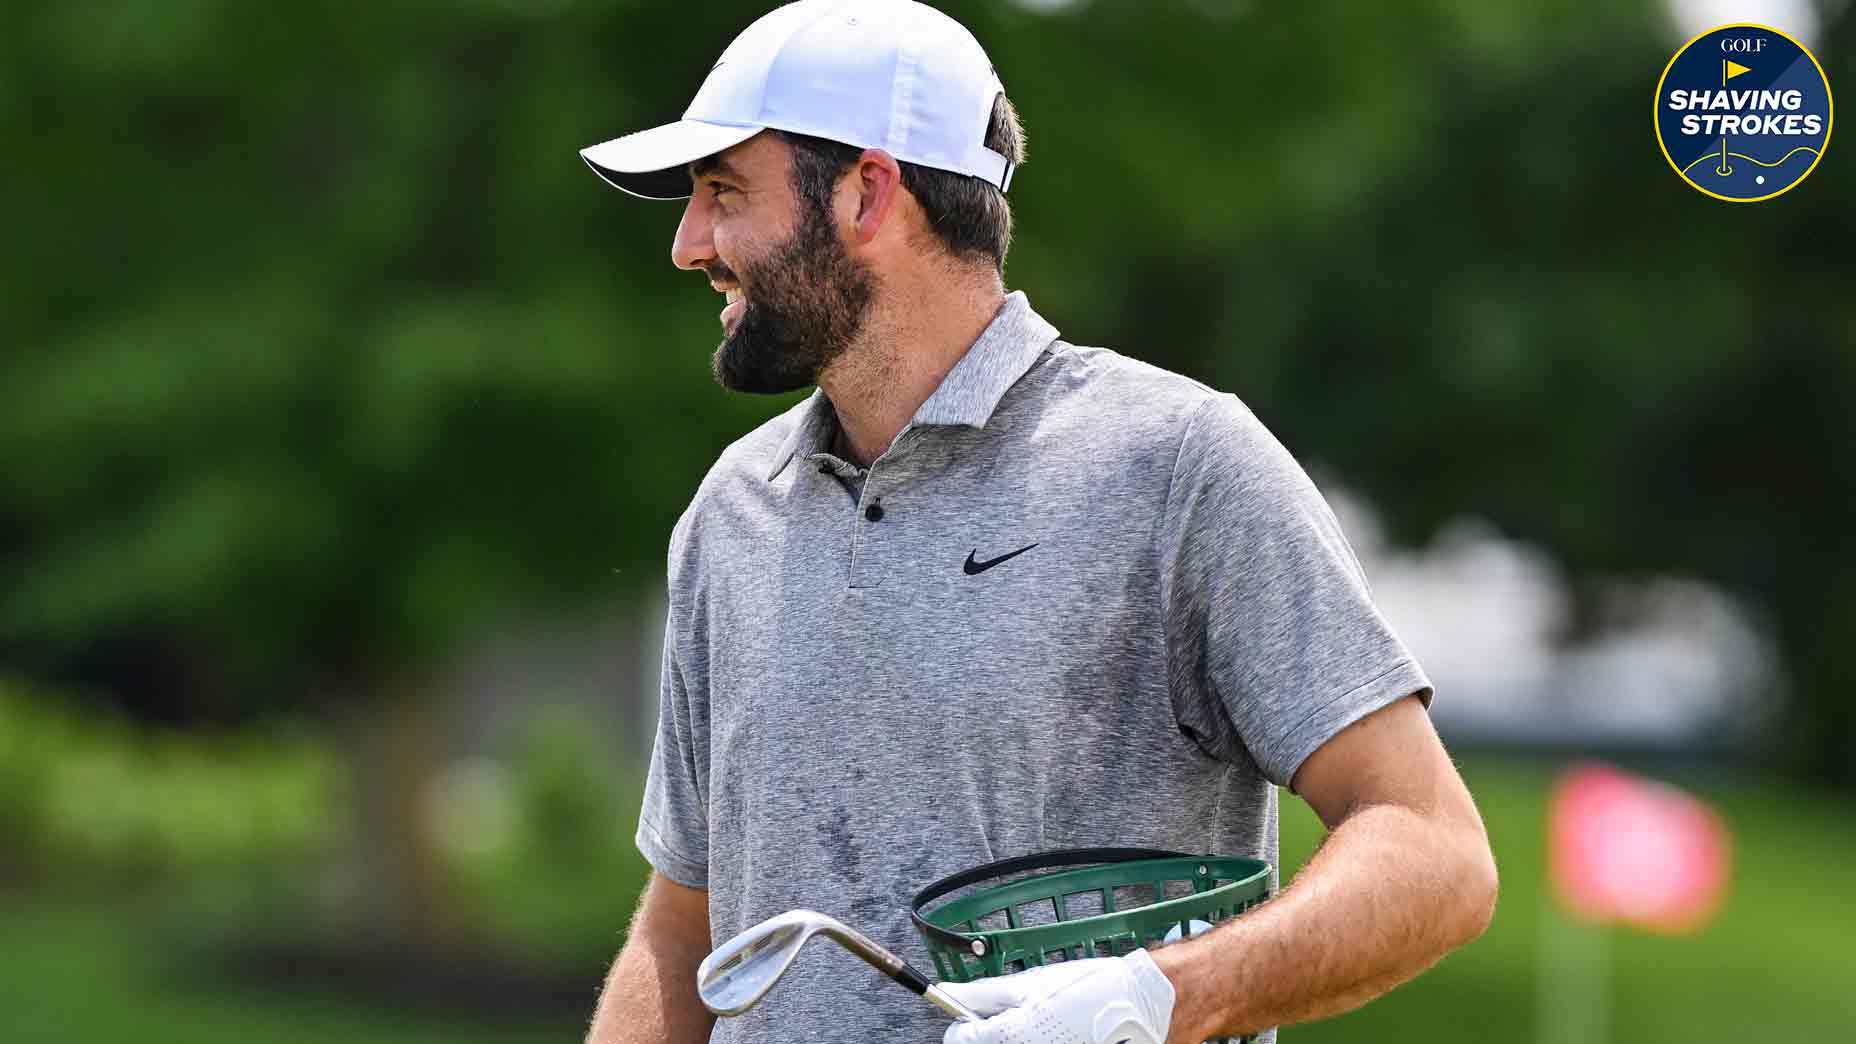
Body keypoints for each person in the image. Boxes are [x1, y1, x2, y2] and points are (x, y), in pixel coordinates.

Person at [578, 3, 1496, 1043]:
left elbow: (1433, 852)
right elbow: (681, 936)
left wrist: (1156, 999)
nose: (688, 243)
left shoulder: (1176, 466)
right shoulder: (730, 511)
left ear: (867, 193)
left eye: (721, 192)